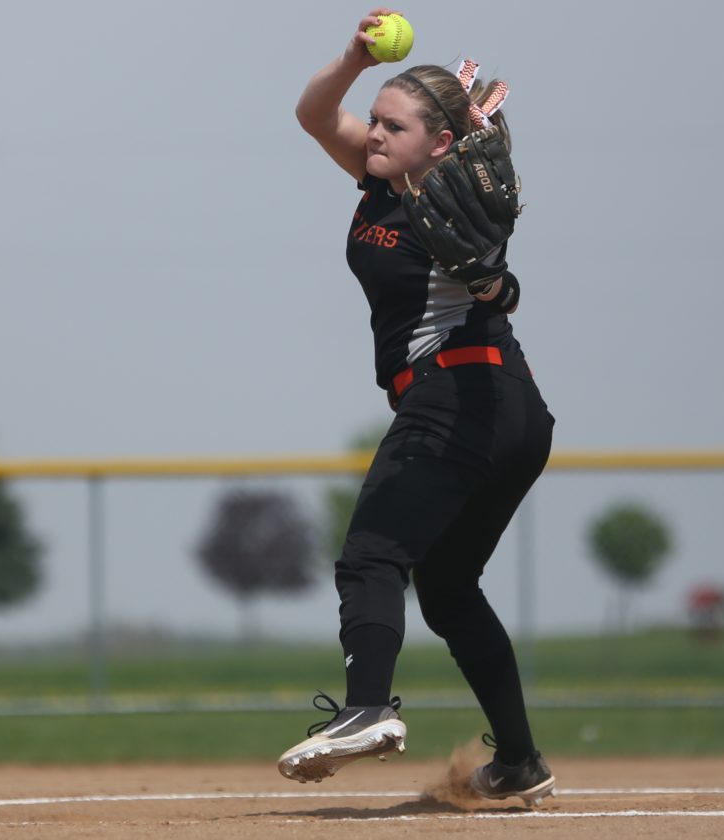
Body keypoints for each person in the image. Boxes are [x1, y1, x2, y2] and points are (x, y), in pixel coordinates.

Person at [277, 8, 557, 807]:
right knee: (447, 588)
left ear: (440, 144)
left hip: (460, 396)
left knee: (370, 554)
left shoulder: (451, 196)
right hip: (505, 410)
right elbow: (311, 115)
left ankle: (367, 708)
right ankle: (519, 761)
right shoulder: (379, 179)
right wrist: (352, 59)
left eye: (393, 125)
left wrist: (494, 278)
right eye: (375, 119)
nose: (374, 132)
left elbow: (498, 282)